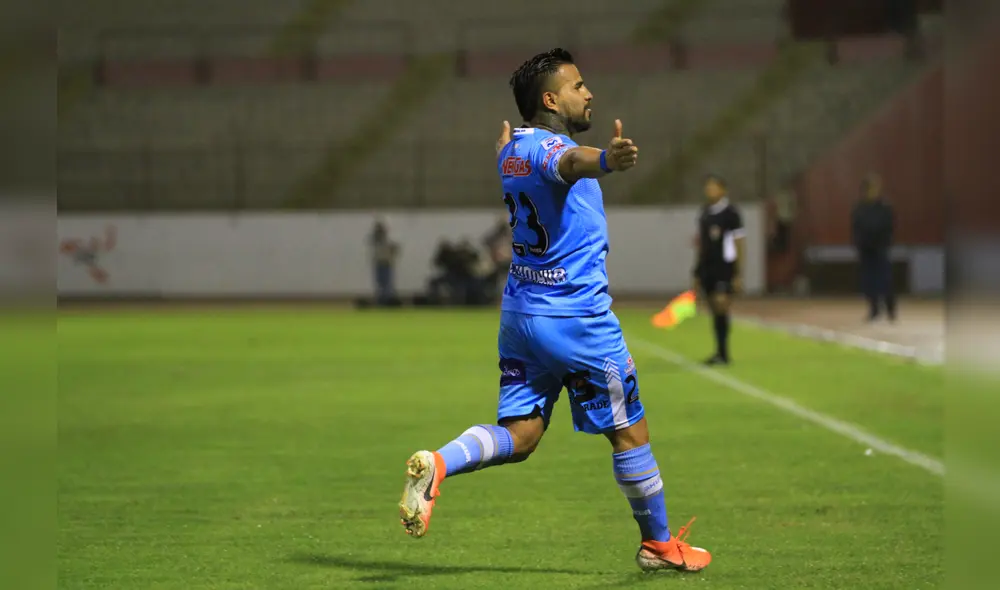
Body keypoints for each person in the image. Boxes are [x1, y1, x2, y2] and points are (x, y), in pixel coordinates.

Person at [398, 48, 711, 573]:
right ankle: (658, 545)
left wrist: (515, 149)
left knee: (521, 435)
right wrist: (608, 160)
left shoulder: (511, 150)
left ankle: (440, 464)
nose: (588, 93)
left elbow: (530, 159)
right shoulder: (549, 151)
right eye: (578, 85)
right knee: (629, 429)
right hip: (576, 319)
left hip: (521, 314)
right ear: (550, 99)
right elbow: (570, 163)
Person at [692, 174, 745, 366]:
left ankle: (724, 353)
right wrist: (697, 272)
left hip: (725, 267)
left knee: (722, 304)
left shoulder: (731, 213)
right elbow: (701, 245)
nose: (709, 190)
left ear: (723, 190)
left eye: (713, 187)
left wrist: (738, 272)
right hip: (708, 268)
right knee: (714, 308)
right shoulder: (704, 213)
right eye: (707, 187)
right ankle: (719, 352)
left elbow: (739, 243)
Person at [851, 173, 896, 322]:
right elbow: (855, 228)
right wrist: (858, 244)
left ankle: (890, 309)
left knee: (885, 279)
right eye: (870, 188)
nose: (873, 191)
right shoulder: (859, 209)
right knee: (868, 281)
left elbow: (890, 227)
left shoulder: (884, 207)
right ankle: (874, 309)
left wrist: (885, 242)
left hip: (881, 248)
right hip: (866, 249)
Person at [368, 219, 399, 306]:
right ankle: (381, 300)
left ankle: (387, 300)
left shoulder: (387, 242)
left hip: (386, 263)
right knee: (380, 283)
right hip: (379, 263)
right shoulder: (375, 241)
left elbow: (394, 250)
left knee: (387, 283)